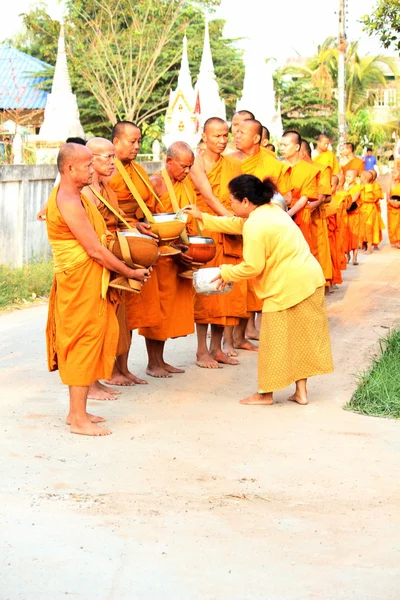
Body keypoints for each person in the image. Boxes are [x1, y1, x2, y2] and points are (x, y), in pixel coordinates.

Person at [185, 174, 333, 405]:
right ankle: (301, 392)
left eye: (232, 201)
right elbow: (237, 224)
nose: (230, 206)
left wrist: (224, 273)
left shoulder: (256, 223)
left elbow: (253, 266)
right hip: (309, 280)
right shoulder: (271, 210)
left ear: (245, 201)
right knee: (300, 340)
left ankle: (265, 394)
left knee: (274, 343)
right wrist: (202, 217)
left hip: (287, 286)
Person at [46, 143, 150, 436]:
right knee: (82, 340)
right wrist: (128, 271)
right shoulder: (67, 199)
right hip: (79, 279)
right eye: (88, 166)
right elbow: (94, 249)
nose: (93, 171)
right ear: (69, 169)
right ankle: (78, 419)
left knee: (90, 338)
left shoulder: (78, 197)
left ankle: (76, 412)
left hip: (87, 278)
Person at [83, 136, 144, 389]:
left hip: (112, 256)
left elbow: (117, 224)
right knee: (93, 323)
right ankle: (92, 381)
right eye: (107, 157)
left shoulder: (107, 190)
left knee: (117, 320)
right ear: (89, 160)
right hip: (94, 261)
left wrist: (137, 231)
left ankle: (119, 369)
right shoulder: (84, 192)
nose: (112, 162)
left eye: (112, 156)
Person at [189, 117, 247, 369]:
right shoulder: (196, 162)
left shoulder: (233, 164)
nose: (223, 141)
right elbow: (208, 196)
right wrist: (233, 221)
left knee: (225, 290)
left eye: (225, 135)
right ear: (204, 136)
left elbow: (239, 195)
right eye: (217, 136)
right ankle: (202, 350)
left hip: (229, 231)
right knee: (206, 289)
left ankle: (218, 347)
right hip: (206, 231)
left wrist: (239, 220)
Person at [108, 121, 163, 384]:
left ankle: (125, 367)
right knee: (115, 310)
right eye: (132, 141)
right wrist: (131, 224)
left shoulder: (138, 170)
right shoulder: (106, 172)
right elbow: (104, 210)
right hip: (115, 242)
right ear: (116, 142)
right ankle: (109, 368)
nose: (137, 146)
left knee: (130, 311)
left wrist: (142, 224)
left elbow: (145, 205)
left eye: (139, 141)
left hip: (135, 239)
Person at [229, 118, 291, 350]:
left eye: (242, 131)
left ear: (256, 138)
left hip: (260, 227)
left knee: (253, 283)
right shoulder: (228, 160)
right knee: (235, 291)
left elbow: (283, 198)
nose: (236, 134)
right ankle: (229, 339)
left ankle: (242, 335)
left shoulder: (272, 164)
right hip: (234, 225)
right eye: (235, 129)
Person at [138, 142, 196, 376]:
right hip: (159, 254)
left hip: (177, 252)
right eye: (183, 166)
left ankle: (161, 360)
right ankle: (152, 363)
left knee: (170, 311)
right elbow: (143, 219)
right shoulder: (154, 184)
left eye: (190, 167)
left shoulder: (185, 184)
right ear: (169, 162)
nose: (187, 172)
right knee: (156, 309)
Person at [300, 140, 332, 287]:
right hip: (297, 216)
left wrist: (304, 208)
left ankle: (320, 283)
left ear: (302, 152)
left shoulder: (322, 169)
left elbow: (322, 196)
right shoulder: (290, 168)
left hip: (314, 216)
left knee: (317, 248)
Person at [280, 131, 319, 248]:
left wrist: (290, 213)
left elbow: (304, 198)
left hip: (300, 215)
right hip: (279, 212)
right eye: (280, 145)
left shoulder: (309, 170)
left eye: (285, 145)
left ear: (297, 147)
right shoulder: (278, 167)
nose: (282, 148)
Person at [358, 170, 384, 254]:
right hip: (362, 209)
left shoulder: (369, 187)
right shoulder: (362, 186)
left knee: (369, 228)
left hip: (369, 209)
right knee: (363, 228)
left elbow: (370, 198)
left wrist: (359, 195)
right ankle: (364, 245)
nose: (359, 178)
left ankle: (370, 248)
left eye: (361, 176)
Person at [343, 169, 362, 265]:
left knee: (355, 235)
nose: (347, 178)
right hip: (345, 215)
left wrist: (347, 204)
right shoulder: (343, 187)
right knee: (346, 236)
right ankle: (347, 255)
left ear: (355, 178)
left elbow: (354, 198)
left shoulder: (358, 188)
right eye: (346, 176)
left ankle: (355, 257)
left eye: (350, 176)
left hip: (355, 214)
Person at [388, 168, 400, 248]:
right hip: (392, 208)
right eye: (392, 173)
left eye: (395, 173)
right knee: (392, 226)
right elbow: (388, 196)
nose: (393, 175)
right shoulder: (390, 184)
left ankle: (399, 240)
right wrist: (391, 202)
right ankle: (395, 240)